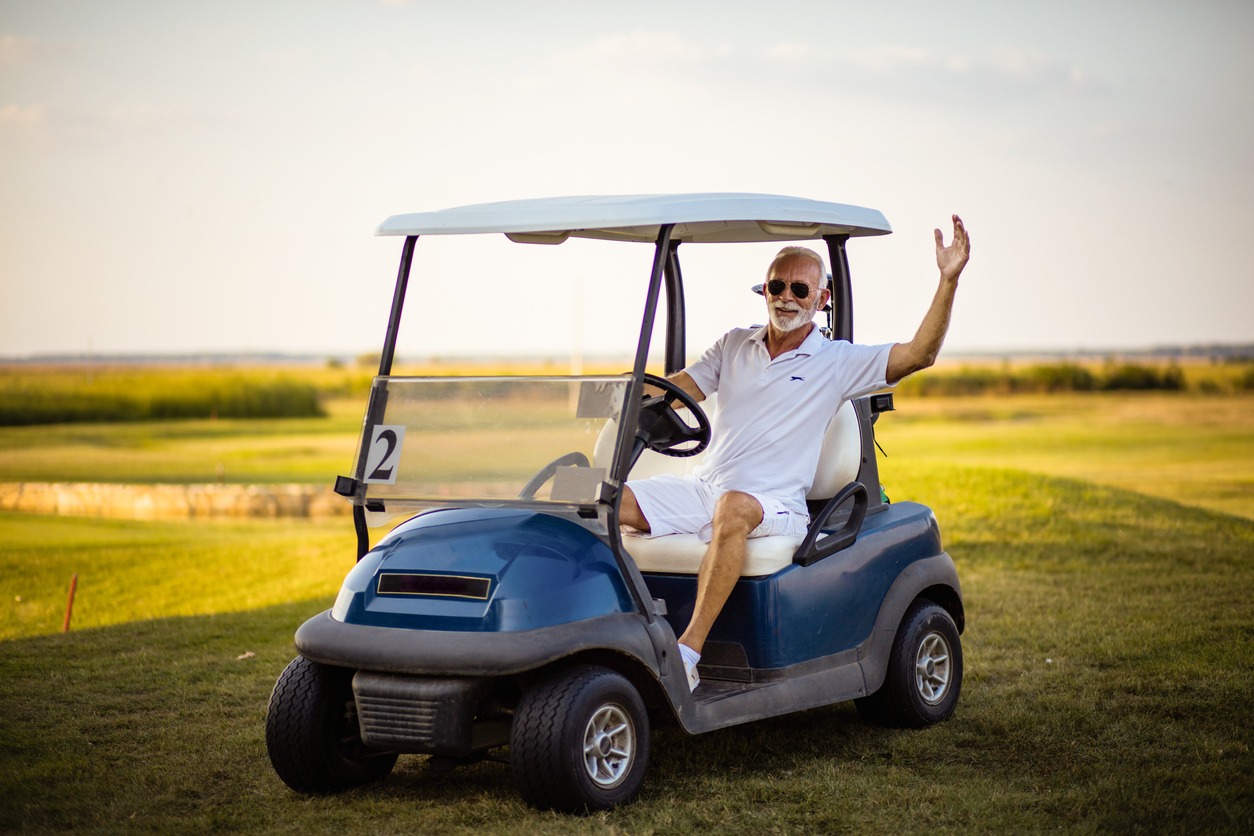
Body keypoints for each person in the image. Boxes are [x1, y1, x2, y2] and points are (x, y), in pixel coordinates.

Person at [620, 215, 971, 691]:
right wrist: (620, 394)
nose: (786, 296)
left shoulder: (836, 361)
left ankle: (685, 654)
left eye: (801, 290)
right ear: (763, 290)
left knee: (733, 507)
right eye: (777, 285)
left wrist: (948, 280)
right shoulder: (734, 345)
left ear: (822, 300)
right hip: (708, 489)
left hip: (777, 503)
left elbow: (918, 354)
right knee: (606, 502)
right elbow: (675, 390)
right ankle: (607, 638)